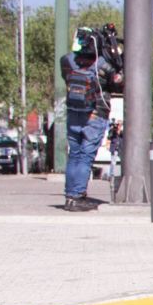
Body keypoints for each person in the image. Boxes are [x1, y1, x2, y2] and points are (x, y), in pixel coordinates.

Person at [59, 29, 122, 211]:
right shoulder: (102, 65)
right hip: (95, 115)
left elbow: (66, 76)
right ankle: (78, 196)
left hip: (73, 113)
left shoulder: (67, 61)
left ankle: (70, 196)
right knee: (86, 157)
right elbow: (118, 81)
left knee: (75, 155)